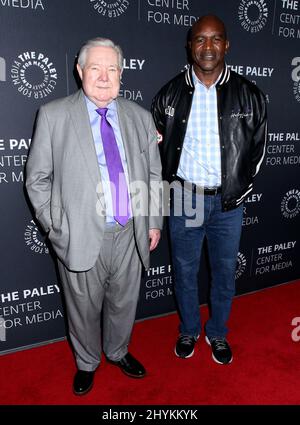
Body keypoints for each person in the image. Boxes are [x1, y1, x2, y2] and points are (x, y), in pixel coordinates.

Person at [26, 37, 162, 395]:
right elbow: (37, 179)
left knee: (124, 302)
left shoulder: (140, 117)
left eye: (112, 69)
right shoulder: (54, 115)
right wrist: (57, 227)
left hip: (130, 231)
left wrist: (152, 221)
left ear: (121, 73)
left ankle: (118, 352)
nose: (104, 77)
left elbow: (152, 174)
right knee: (83, 309)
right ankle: (87, 362)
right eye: (95, 68)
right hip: (81, 234)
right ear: (80, 70)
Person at [151, 15, 267, 365]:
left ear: (226, 45)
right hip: (185, 198)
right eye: (200, 39)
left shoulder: (250, 94)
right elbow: (156, 153)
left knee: (223, 272)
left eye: (215, 39)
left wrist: (240, 190)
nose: (208, 47)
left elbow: (257, 151)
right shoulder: (169, 94)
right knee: (184, 271)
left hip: (228, 202)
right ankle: (189, 329)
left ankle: (217, 332)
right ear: (190, 45)